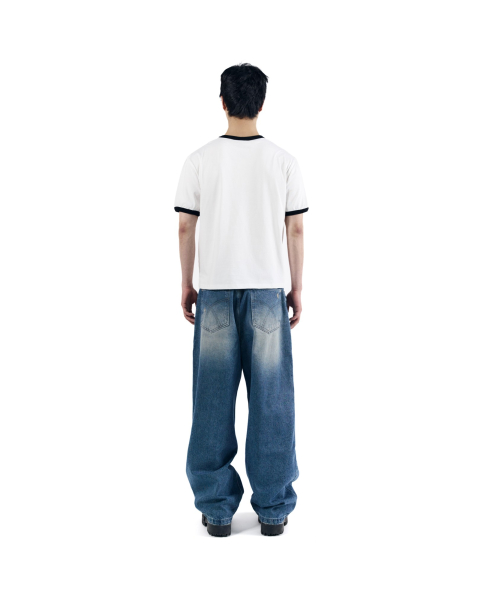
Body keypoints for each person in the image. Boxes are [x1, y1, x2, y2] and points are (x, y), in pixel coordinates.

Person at [174, 63, 308, 537]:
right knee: (272, 402)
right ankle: (272, 509)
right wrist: (296, 287)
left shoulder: (199, 160)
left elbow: (185, 226)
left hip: (214, 292)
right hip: (268, 293)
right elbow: (296, 228)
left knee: (211, 402)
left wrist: (187, 283)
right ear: (262, 103)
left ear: (223, 101)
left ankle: (216, 510)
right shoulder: (283, 161)